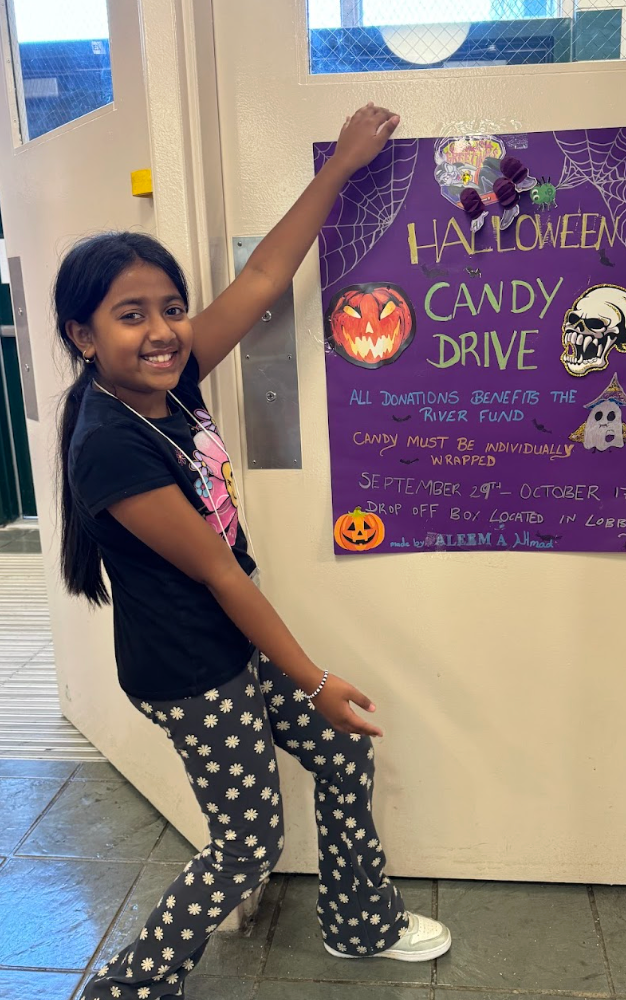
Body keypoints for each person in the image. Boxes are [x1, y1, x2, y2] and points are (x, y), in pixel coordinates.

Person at [57, 103, 451, 1000]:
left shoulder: (168, 372)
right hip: (189, 667)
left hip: (230, 641)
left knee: (342, 758)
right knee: (246, 846)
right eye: (129, 316)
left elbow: (268, 271)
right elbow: (219, 573)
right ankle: (126, 989)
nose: (161, 330)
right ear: (84, 337)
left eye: (169, 307)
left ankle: (359, 923)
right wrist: (315, 679)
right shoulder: (109, 446)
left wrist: (344, 165)